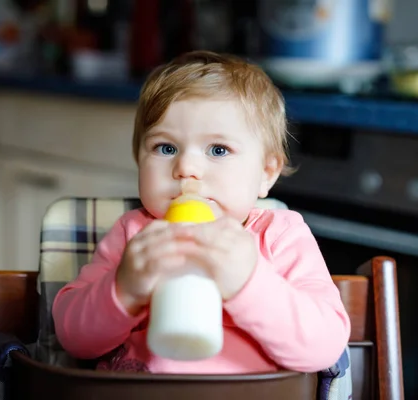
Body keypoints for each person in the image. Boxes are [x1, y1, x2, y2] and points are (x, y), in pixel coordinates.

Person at [52, 50, 350, 374]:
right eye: (166, 148)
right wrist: (124, 288)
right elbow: (72, 337)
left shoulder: (279, 237)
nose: (186, 168)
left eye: (218, 150)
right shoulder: (135, 237)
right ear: (140, 160)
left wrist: (249, 283)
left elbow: (325, 347)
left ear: (266, 172)